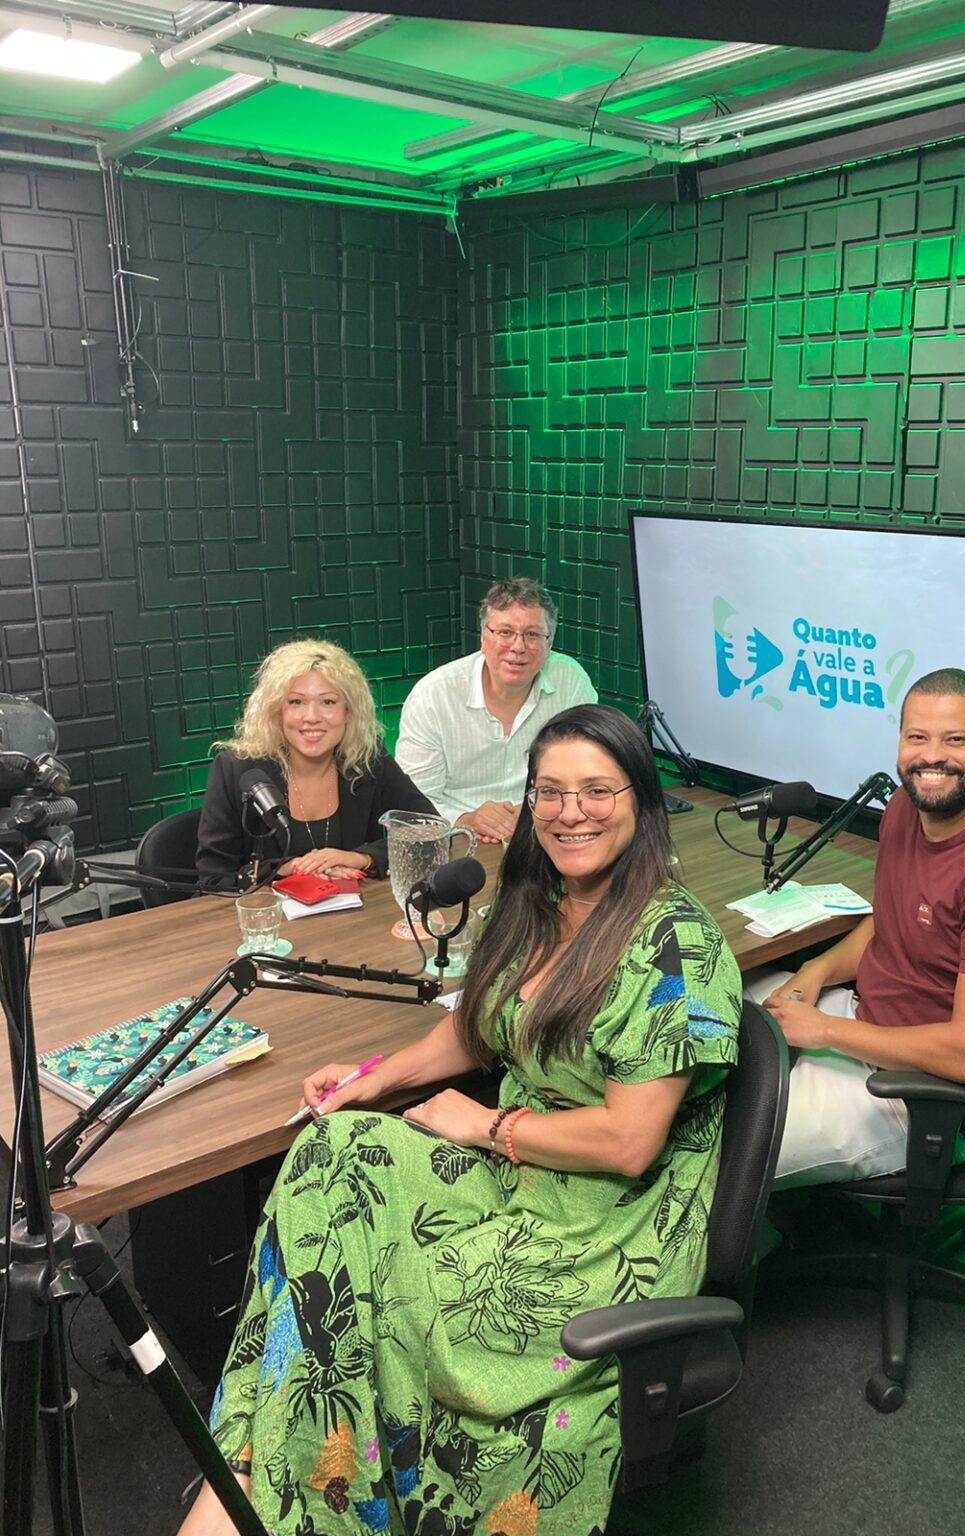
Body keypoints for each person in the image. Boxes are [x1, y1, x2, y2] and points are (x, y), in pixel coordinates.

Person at [179, 704, 741, 1536]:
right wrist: (373, 1078)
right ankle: (276, 1463)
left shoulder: (677, 945)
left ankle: (271, 1481)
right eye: (549, 792)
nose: (570, 812)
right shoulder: (540, 901)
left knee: (388, 1296)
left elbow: (629, 1143)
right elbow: (476, 1026)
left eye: (597, 790)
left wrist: (483, 1127)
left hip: (604, 1219)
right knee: (333, 1149)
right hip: (522, 1164)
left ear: (642, 801)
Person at [747, 667, 965, 1188]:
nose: (932, 757)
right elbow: (888, 924)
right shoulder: (904, 807)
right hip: (865, 1022)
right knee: (703, 1012)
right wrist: (817, 970)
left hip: (920, 1098)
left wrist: (824, 1031)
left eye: (955, 740)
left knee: (720, 1153)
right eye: (917, 737)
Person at [196, 638, 437, 890]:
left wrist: (361, 859)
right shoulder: (236, 769)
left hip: (355, 911)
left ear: (348, 712)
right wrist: (282, 870)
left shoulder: (368, 760)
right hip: (268, 912)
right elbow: (213, 879)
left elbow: (431, 831)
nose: (311, 717)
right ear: (277, 711)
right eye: (296, 702)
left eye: (328, 702)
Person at [395, 577, 597, 845]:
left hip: (545, 830)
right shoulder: (433, 696)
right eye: (505, 632)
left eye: (532, 634)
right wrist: (466, 819)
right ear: (483, 637)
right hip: (455, 840)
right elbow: (412, 806)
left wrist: (540, 808)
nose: (518, 647)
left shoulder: (571, 681)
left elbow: (590, 770)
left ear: (549, 643)